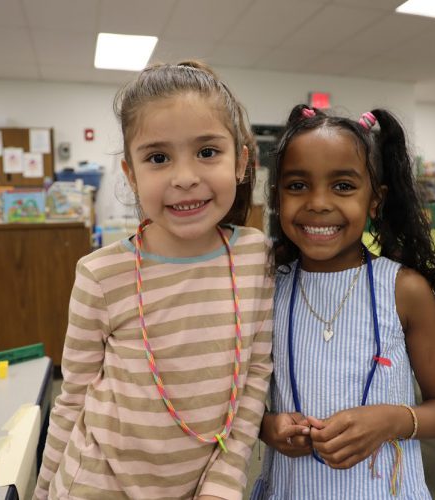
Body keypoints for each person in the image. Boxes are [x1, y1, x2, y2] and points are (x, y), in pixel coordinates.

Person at [34, 61, 274, 500]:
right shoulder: (101, 275)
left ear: (241, 161)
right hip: (95, 484)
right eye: (158, 158)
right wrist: (43, 488)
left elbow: (255, 373)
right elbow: (72, 398)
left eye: (207, 152)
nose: (184, 178)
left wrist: (225, 477)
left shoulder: (254, 256)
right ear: (131, 174)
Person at [251, 105, 435, 499]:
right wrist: (266, 425)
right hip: (292, 488)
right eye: (297, 185)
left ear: (375, 201)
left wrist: (391, 419)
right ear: (278, 196)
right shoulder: (266, 286)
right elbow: (234, 398)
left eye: (343, 186)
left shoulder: (404, 290)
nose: (318, 203)